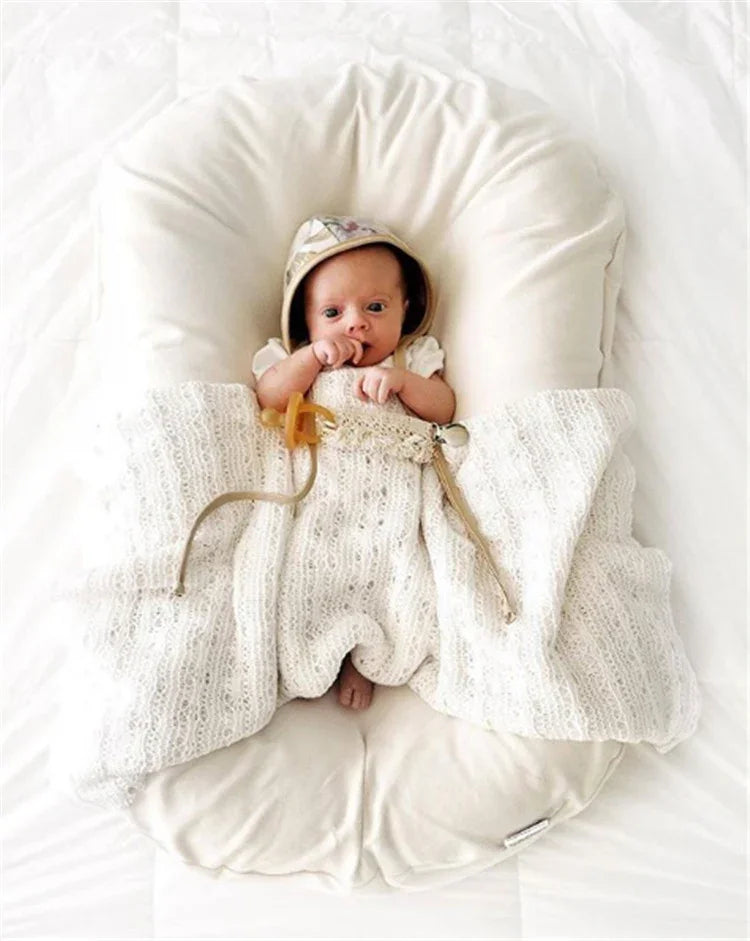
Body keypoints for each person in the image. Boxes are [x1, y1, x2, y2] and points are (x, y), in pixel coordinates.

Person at [252, 215, 455, 711]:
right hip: (321, 502)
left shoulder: (411, 358)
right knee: (311, 575)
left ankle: (369, 656)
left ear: (406, 311)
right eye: (333, 312)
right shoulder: (298, 358)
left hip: (393, 503)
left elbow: (444, 408)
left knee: (399, 576)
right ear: (307, 322)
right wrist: (313, 360)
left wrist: (405, 386)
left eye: (376, 307)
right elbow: (270, 396)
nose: (355, 324)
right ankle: (323, 653)